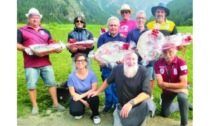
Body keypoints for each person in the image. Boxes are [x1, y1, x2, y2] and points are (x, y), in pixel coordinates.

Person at [17, 8, 65, 115]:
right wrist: (26, 49)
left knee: (52, 83)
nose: (35, 19)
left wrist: (57, 48)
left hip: (45, 63)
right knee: (31, 85)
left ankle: (55, 103)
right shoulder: (21, 30)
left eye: (37, 17)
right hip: (30, 64)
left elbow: (51, 42)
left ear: (40, 18)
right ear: (28, 18)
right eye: (32, 17)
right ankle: (35, 106)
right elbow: (16, 44)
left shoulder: (45, 31)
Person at [89, 51, 155, 126]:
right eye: (128, 59)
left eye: (134, 59)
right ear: (123, 59)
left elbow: (146, 92)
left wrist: (131, 103)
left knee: (144, 112)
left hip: (138, 104)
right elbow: (108, 81)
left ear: (137, 61)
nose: (131, 62)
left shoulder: (143, 71)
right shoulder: (117, 69)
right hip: (123, 104)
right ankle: (118, 111)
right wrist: (97, 92)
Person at [154, 43, 189, 126]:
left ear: (175, 51)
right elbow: (160, 84)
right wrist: (179, 89)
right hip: (170, 90)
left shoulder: (181, 62)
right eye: (165, 52)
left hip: (176, 88)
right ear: (161, 53)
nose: (168, 55)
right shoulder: (158, 63)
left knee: (182, 97)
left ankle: (184, 123)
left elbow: (183, 84)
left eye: (170, 52)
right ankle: (183, 105)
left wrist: (165, 85)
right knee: (164, 114)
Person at [97, 16, 126, 113]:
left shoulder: (122, 39)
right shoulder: (102, 37)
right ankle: (108, 105)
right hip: (106, 67)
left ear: (119, 26)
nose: (113, 27)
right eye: (111, 25)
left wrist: (122, 60)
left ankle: (116, 105)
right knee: (107, 87)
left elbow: (125, 53)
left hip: (118, 68)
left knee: (116, 87)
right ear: (108, 26)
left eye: (115, 25)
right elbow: (99, 53)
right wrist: (101, 61)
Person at [127, 10, 156, 99]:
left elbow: (154, 46)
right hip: (135, 62)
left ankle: (149, 98)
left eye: (142, 18)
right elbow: (128, 47)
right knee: (136, 80)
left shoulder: (150, 32)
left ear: (145, 20)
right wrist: (134, 50)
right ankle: (137, 98)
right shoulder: (131, 33)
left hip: (149, 62)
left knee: (149, 80)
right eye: (139, 18)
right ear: (136, 19)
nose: (140, 20)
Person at [67, 53, 101, 124]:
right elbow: (72, 92)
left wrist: (81, 96)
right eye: (78, 61)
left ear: (86, 62)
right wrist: (84, 101)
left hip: (89, 94)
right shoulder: (71, 76)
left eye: (82, 60)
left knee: (94, 97)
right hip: (78, 96)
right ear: (75, 63)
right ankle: (82, 109)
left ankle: (95, 114)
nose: (80, 62)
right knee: (75, 112)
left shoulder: (92, 74)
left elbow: (94, 89)